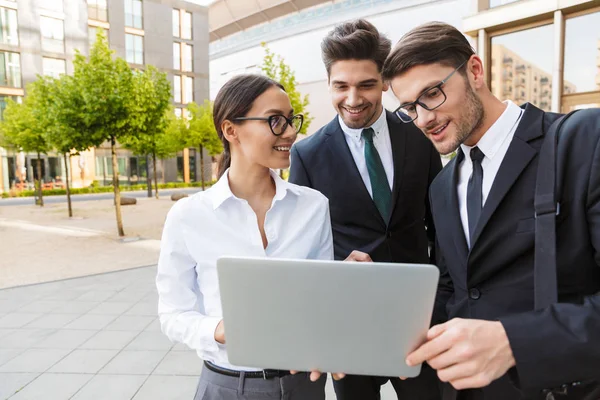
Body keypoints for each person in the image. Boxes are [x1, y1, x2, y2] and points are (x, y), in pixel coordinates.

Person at [381, 21, 600, 400]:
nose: (424, 119)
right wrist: (365, 321)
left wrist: (514, 343)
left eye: (432, 94)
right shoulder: (441, 188)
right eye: (409, 108)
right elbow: (454, 293)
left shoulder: (580, 141)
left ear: (475, 71)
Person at [289, 19, 443, 400]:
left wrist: (443, 303)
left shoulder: (420, 135)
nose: (353, 98)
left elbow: (439, 226)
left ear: (385, 83)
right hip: (349, 323)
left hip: (416, 318)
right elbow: (303, 247)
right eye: (341, 86)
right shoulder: (306, 154)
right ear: (329, 84)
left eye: (366, 85)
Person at [156, 74, 334, 400]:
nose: (291, 132)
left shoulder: (314, 207)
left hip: (302, 386)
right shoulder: (188, 216)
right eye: (275, 121)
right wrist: (218, 331)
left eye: (291, 119)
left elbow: (320, 301)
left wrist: (347, 282)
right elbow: (172, 313)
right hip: (226, 385)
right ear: (230, 130)